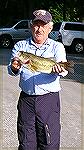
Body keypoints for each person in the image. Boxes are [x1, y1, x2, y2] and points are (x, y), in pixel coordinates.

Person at [8, 9, 68, 150]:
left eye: (43, 25)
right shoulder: (20, 47)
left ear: (50, 28)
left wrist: (61, 70)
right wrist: (15, 67)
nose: (39, 29)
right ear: (31, 26)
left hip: (48, 100)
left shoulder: (57, 47)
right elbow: (12, 71)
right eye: (36, 25)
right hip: (26, 100)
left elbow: (64, 70)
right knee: (26, 140)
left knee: (49, 141)